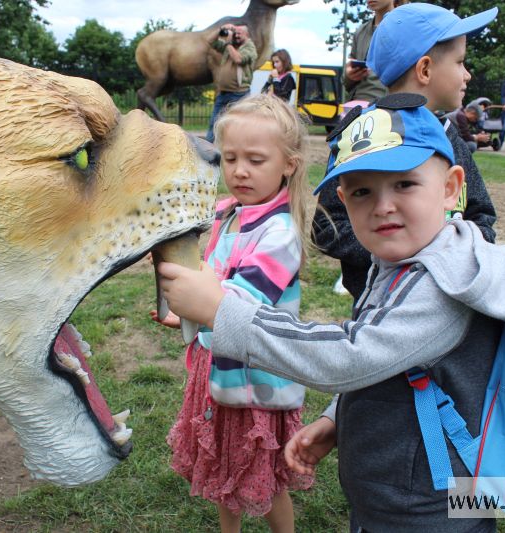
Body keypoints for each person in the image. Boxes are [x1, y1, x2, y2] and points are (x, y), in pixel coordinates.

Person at [156, 101, 505, 532]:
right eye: (362, 192)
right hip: (392, 495)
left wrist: (220, 310)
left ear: (450, 187)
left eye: (404, 184)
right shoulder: (402, 261)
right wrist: (336, 417)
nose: (383, 206)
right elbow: (388, 358)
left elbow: (352, 356)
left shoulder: (443, 284)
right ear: (344, 200)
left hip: (427, 510)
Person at [152, 94, 313, 533]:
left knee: (265, 476)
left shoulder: (279, 233)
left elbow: (239, 304)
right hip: (218, 366)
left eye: (256, 160)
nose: (240, 171)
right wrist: (184, 316)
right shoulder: (227, 215)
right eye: (230, 158)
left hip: (256, 380)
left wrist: (199, 306)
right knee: (222, 466)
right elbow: (213, 284)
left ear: (289, 165)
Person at [313, 2, 498, 300]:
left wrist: (455, 253)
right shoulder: (361, 138)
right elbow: (325, 227)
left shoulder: (450, 137)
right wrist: (392, 252)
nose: (467, 75)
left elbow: (482, 215)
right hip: (378, 307)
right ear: (425, 69)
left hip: (447, 300)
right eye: (460, 62)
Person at [343, 0, 408, 105]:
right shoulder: (361, 31)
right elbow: (346, 84)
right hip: (356, 104)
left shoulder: (406, 29)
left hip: (388, 106)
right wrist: (349, 76)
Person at [205, 24, 257, 143]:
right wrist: (221, 29)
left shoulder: (250, 48)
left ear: (247, 34)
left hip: (239, 94)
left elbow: (238, 59)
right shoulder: (230, 47)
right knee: (214, 124)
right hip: (223, 93)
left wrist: (228, 43)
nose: (236, 35)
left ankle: (237, 148)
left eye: (239, 33)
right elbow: (210, 41)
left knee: (238, 125)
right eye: (235, 33)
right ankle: (209, 151)